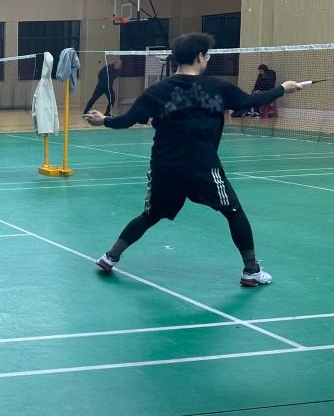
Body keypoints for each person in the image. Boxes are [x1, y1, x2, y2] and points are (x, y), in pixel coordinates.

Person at [85, 33, 302, 287]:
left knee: (150, 215)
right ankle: (251, 271)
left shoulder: (157, 91)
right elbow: (249, 101)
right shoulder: (217, 87)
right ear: (200, 56)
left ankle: (110, 257)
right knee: (233, 211)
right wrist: (282, 89)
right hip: (202, 166)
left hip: (164, 167)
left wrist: (104, 120)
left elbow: (126, 121)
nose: (208, 59)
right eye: (207, 55)